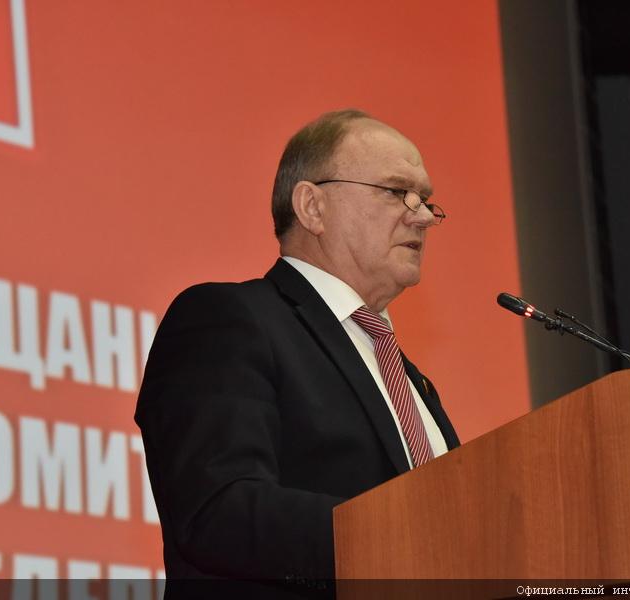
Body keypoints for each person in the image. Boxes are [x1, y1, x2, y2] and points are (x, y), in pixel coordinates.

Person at [134, 109, 460, 592]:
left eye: (426, 200)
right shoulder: (228, 319)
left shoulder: (411, 381)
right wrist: (404, 537)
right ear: (312, 207)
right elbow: (219, 510)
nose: (423, 217)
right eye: (396, 192)